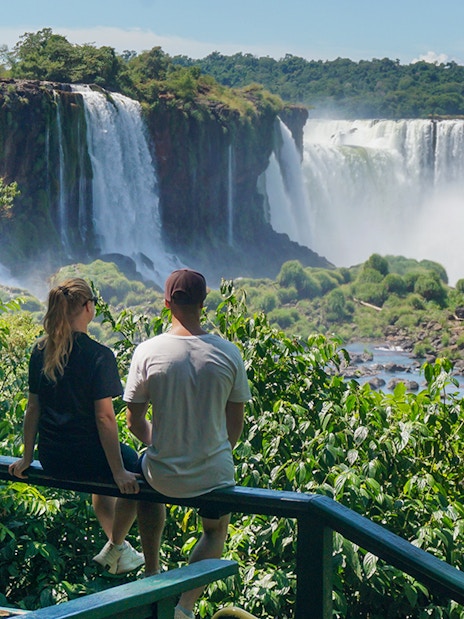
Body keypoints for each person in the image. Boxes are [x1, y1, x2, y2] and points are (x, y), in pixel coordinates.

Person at [124, 268, 251, 619]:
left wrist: (161, 443)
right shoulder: (228, 353)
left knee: (142, 478)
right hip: (213, 473)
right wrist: (207, 449)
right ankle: (184, 605)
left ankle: (152, 573)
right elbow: (234, 424)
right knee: (215, 531)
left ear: (167, 304)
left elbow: (133, 421)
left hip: (162, 471)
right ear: (204, 303)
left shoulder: (147, 351)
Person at [8, 277, 144, 575]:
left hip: (53, 458)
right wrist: (119, 470)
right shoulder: (99, 355)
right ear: (87, 307)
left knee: (110, 474)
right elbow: (104, 418)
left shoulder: (40, 350)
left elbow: (33, 408)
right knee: (138, 470)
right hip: (88, 458)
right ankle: (118, 545)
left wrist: (28, 457)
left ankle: (116, 547)